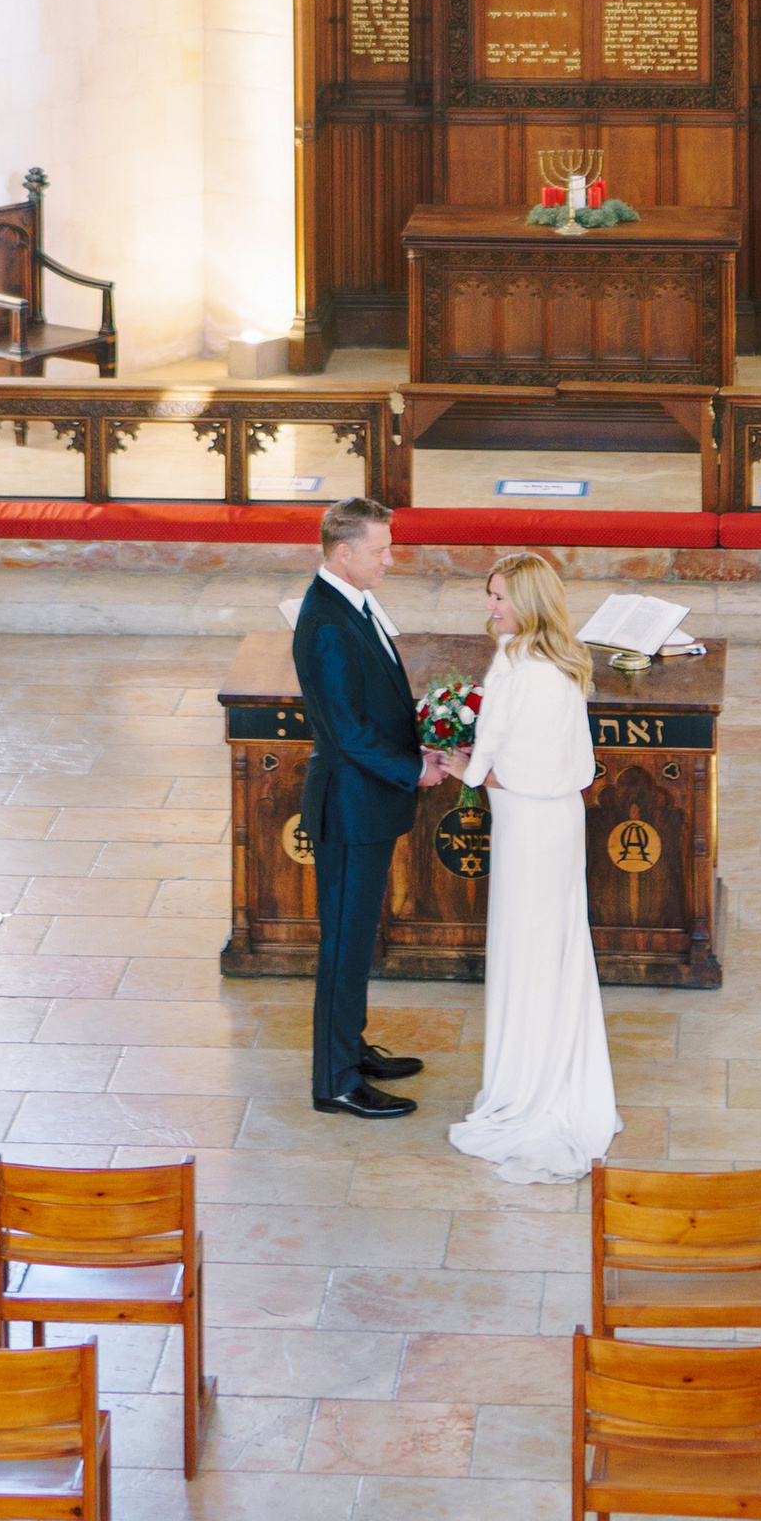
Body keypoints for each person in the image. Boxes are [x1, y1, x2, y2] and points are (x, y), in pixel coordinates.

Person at [439, 549, 620, 1185]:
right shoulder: (527, 655)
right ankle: (530, 1072)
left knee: (537, 950)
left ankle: (535, 1091)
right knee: (532, 948)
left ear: (529, 602)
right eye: (489, 595)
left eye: (499, 597)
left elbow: (542, 768)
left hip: (536, 824)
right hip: (530, 820)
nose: (490, 606)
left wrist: (474, 773)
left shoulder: (537, 668)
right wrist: (480, 764)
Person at [290, 493, 447, 1120]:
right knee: (344, 946)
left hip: (367, 805)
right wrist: (414, 768)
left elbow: (375, 700)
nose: (390, 559)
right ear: (343, 552)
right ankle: (334, 1081)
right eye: (380, 550)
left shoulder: (348, 602)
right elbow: (350, 734)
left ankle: (351, 1049)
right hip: (350, 812)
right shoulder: (326, 623)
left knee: (357, 939)